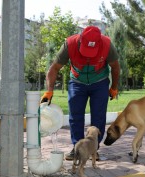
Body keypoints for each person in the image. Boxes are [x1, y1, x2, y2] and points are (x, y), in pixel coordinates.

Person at [40, 26, 120, 160]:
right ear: (80, 40)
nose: (88, 54)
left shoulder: (107, 44)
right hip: (77, 82)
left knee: (98, 117)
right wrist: (49, 91)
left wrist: (114, 88)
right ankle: (77, 148)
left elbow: (116, 67)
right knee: (75, 115)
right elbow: (54, 69)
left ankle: (94, 149)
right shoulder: (69, 44)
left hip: (99, 82)